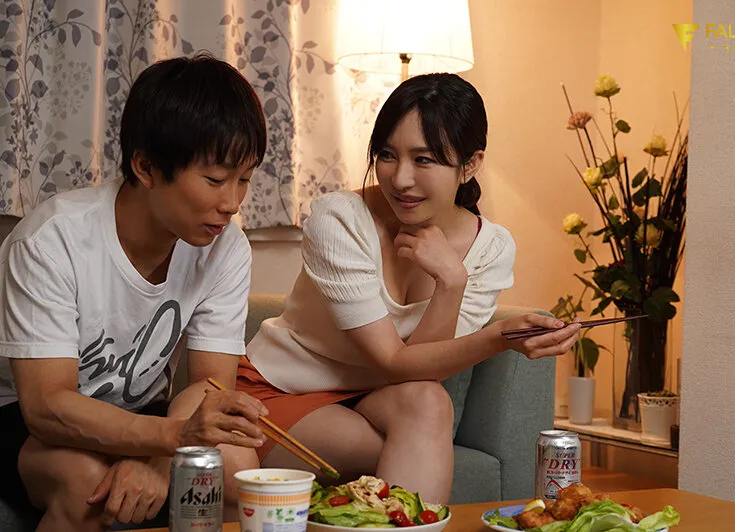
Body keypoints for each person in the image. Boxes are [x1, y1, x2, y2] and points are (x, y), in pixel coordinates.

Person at [227, 73, 580, 505]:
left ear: (470, 164)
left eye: (424, 159)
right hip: (279, 391)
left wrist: (450, 281)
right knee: (420, 442)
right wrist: (496, 336)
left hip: (378, 399)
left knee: (429, 402)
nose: (401, 179)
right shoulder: (339, 220)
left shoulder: (491, 248)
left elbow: (423, 373)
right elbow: (393, 362)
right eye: (388, 155)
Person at [0, 54, 268, 531]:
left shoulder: (226, 247)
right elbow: (46, 406)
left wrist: (160, 461)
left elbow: (210, 385)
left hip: (146, 416)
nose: (232, 203)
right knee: (88, 484)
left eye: (243, 179)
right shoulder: (52, 240)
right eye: (215, 179)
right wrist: (172, 439)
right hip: (25, 421)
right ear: (146, 166)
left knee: (235, 466)